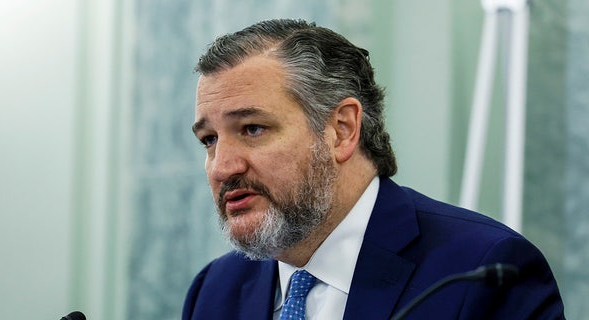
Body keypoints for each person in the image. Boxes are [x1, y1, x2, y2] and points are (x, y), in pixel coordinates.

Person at [183, 19, 564, 320]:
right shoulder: (216, 290)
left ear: (342, 130)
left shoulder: (482, 272)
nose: (223, 167)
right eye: (209, 140)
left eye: (253, 129)